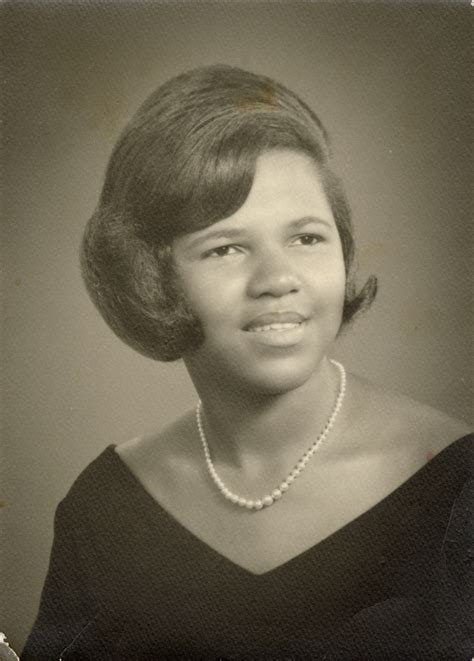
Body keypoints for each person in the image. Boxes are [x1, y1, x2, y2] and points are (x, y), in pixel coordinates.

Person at [23, 65, 472, 660]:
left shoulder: (457, 486)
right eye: (227, 248)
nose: (278, 280)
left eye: (307, 238)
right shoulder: (104, 508)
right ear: (153, 278)